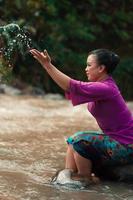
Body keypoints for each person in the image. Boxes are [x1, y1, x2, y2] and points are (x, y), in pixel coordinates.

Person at [30, 48, 133, 183]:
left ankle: (84, 179)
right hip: (117, 140)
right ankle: (68, 177)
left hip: (127, 145)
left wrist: (47, 65)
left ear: (101, 68)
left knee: (79, 140)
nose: (86, 69)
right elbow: (71, 88)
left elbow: (71, 86)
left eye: (89, 65)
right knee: (71, 143)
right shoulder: (100, 86)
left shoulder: (105, 88)